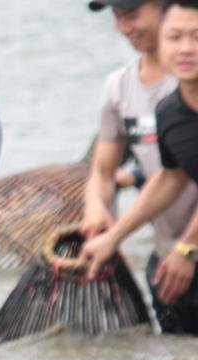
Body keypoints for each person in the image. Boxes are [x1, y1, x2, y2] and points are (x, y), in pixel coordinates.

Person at [82, 0, 198, 334]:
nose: (124, 27)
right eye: (117, 17)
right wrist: (102, 220)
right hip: (166, 261)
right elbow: (169, 175)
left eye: (131, 14)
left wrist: (187, 248)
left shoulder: (182, 82)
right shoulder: (157, 105)